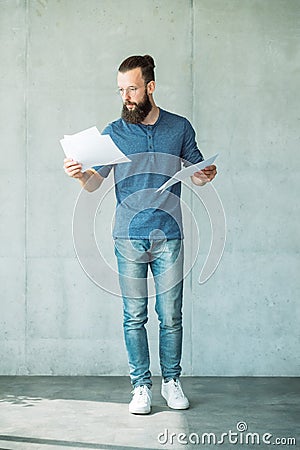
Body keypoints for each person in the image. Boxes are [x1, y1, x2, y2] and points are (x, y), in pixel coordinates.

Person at [64, 55, 217, 414]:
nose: (126, 97)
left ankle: (171, 382)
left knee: (171, 315)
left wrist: (204, 175)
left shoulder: (179, 127)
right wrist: (78, 175)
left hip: (170, 235)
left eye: (132, 88)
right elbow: (93, 184)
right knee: (134, 315)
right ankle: (140, 386)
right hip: (128, 237)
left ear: (150, 87)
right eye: (121, 90)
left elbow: (195, 170)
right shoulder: (115, 133)